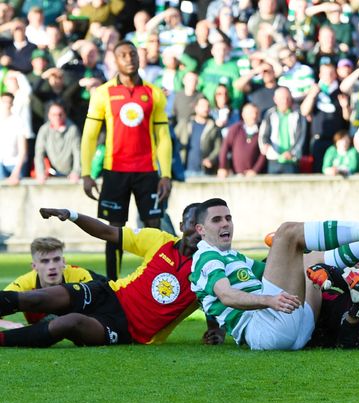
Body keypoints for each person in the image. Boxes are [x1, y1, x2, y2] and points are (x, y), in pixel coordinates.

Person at [190, 180, 359, 351]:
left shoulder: (232, 256)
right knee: (287, 232)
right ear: (200, 230)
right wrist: (269, 300)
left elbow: (275, 268)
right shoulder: (206, 257)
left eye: (228, 218)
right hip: (264, 330)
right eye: (216, 220)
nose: (225, 223)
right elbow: (227, 295)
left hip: (296, 330)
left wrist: (340, 266)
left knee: (310, 261)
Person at [0, 204, 224, 347]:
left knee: (69, 322)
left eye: (201, 227)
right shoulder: (159, 240)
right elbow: (107, 231)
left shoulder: (209, 265)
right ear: (182, 225)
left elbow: (217, 297)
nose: (197, 232)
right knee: (36, 297)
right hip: (110, 293)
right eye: (191, 225)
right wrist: (72, 215)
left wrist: (215, 329)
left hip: (127, 328)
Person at [80, 40, 173, 281]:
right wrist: (86, 173)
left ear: (139, 58)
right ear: (115, 60)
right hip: (115, 172)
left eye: (133, 53)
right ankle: (112, 284)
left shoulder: (154, 93)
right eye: (123, 55)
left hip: (148, 172)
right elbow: (89, 135)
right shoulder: (103, 93)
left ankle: (156, 281)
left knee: (154, 228)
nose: (129, 58)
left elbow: (162, 136)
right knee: (114, 230)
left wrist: (166, 175)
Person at [2, 237, 101, 327]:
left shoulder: (79, 276)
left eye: (56, 259)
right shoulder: (24, 283)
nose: (52, 266)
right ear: (34, 266)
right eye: (45, 261)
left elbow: (99, 309)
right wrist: (9, 324)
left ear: (63, 262)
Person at [33, 101, 81, 184]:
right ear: (49, 116)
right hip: (51, 174)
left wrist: (76, 172)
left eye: (60, 114)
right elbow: (39, 153)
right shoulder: (44, 130)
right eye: (54, 115)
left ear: (65, 115)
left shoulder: (73, 129)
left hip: (70, 175)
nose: (57, 117)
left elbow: (78, 153)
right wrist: (40, 173)